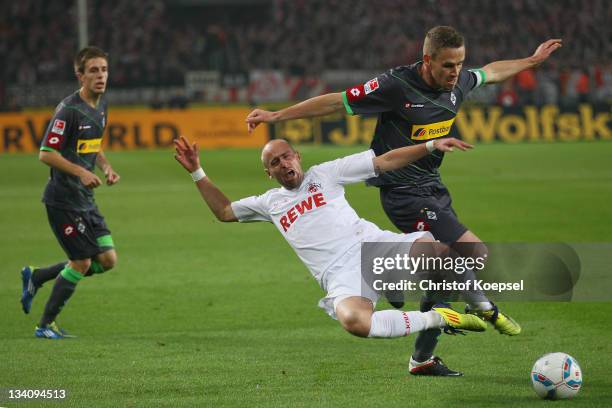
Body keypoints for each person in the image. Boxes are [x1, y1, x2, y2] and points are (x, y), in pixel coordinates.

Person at [246, 26, 561, 376]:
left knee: (455, 270)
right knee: (471, 256)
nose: (455, 72)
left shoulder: (456, 82)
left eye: (459, 64)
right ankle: (477, 310)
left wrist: (532, 61)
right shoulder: (396, 86)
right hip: (401, 192)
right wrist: (277, 116)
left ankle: (420, 350)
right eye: (447, 65)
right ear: (427, 60)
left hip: (433, 188)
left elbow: (491, 72)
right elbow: (338, 101)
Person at [174, 134, 494, 374]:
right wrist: (197, 172)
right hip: (340, 273)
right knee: (354, 321)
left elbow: (383, 162)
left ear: (297, 156)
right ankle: (435, 317)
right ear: (268, 173)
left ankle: (436, 318)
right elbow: (225, 211)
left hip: (371, 245)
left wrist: (428, 146)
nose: (284, 164)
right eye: (275, 162)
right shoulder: (269, 203)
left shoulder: (325, 174)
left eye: (287, 156)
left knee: (443, 255)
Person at [20, 46, 119, 339]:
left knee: (107, 260)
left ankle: (37, 277)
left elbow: (93, 144)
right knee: (82, 262)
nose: (100, 76)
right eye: (93, 70)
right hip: (63, 200)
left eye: (103, 70)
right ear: (80, 75)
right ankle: (44, 326)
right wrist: (81, 172)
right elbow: (46, 153)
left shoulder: (101, 106)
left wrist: (105, 167)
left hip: (85, 200)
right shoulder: (68, 110)